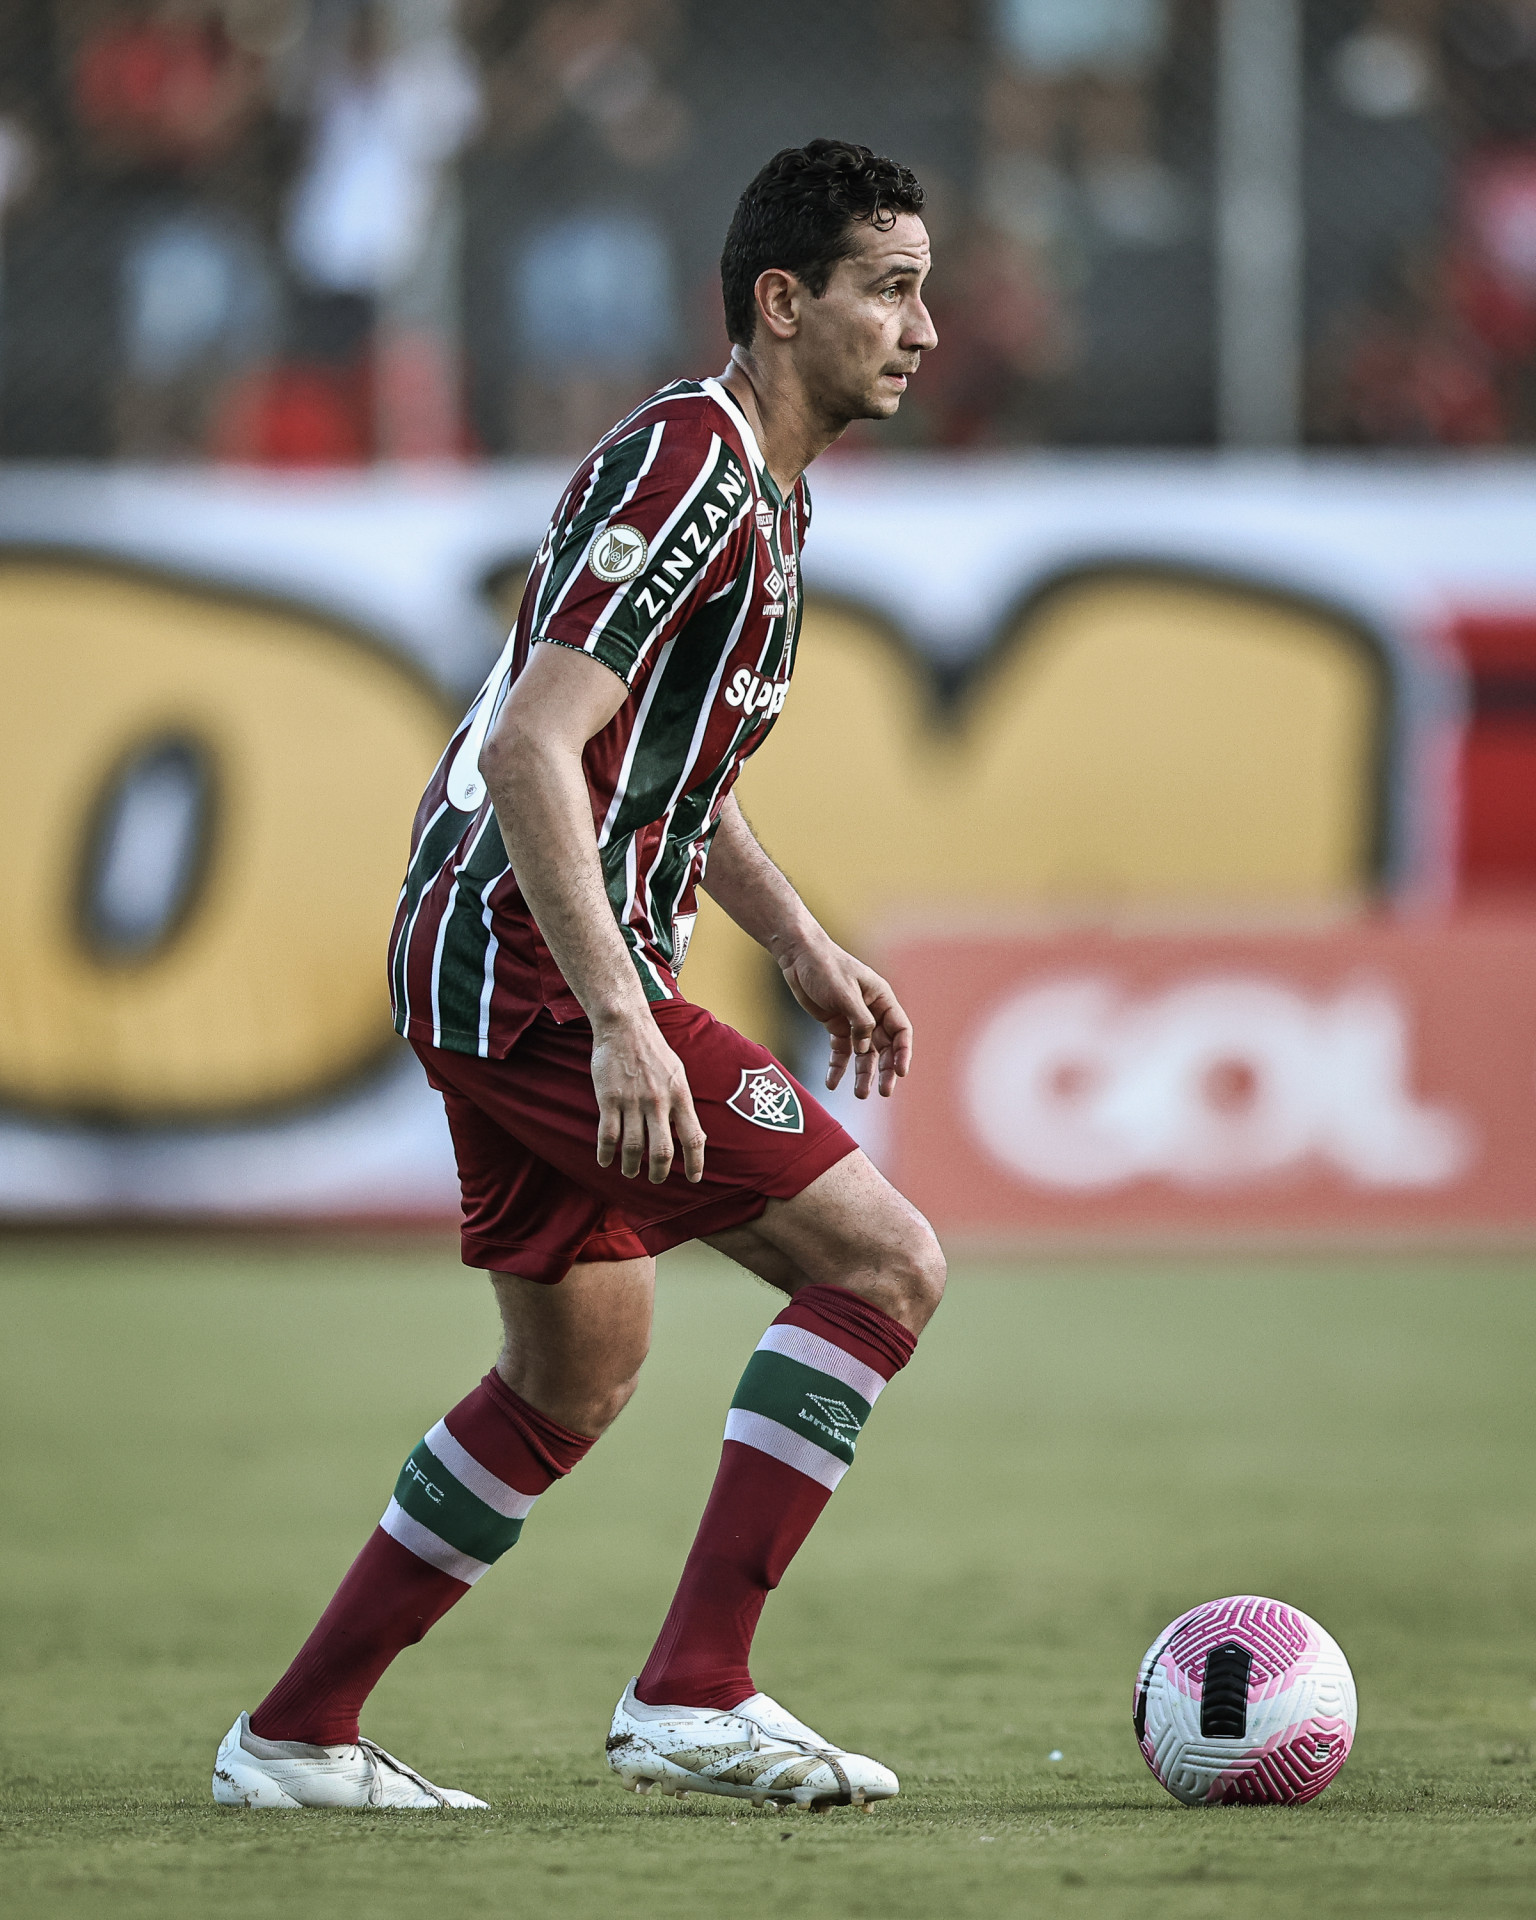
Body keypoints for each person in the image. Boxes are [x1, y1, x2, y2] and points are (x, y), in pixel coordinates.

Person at [212, 138, 945, 1814]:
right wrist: (626, 1017)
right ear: (783, 300)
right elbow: (541, 747)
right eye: (888, 288)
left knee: (575, 1369)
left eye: (922, 289)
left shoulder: (768, 485)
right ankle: (696, 1693)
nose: (924, 327)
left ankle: (295, 1737)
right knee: (884, 1264)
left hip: (504, 961)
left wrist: (804, 943)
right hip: (533, 966)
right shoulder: (690, 463)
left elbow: (668, 776)